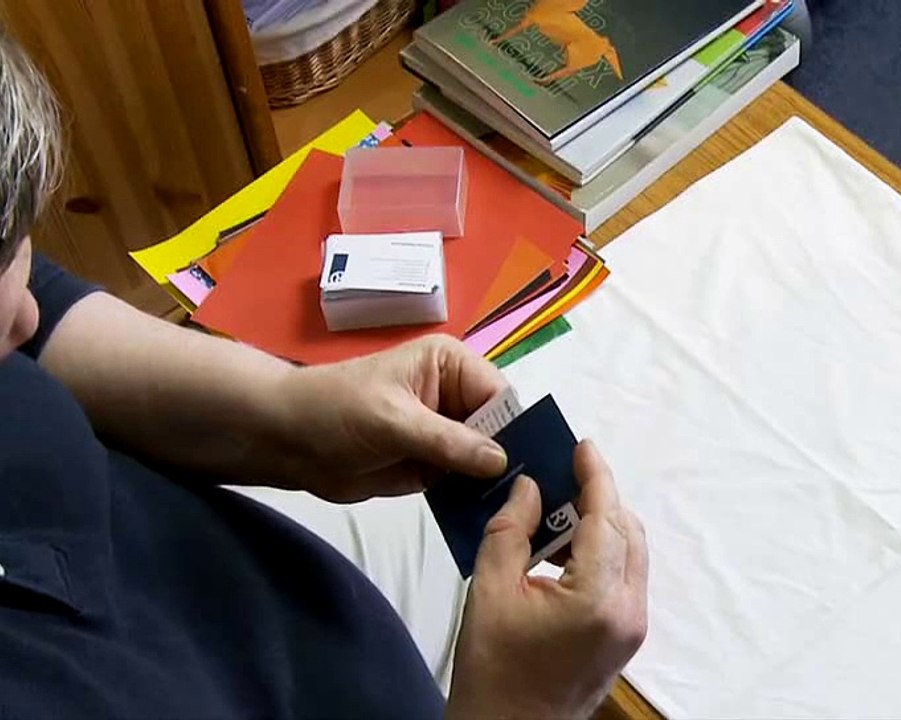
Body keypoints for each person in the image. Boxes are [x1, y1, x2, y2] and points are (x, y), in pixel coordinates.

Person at [0, 32, 646, 718]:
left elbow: (45, 319)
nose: (26, 318)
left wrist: (290, 412)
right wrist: (525, 705)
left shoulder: (17, 317)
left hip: (274, 596)